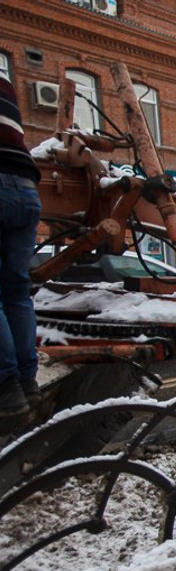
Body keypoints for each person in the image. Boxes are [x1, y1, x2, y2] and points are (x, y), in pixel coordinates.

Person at [0, 72, 42, 416]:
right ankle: (28, 381)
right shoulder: (7, 87)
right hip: (26, 186)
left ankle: (6, 387)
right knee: (16, 291)